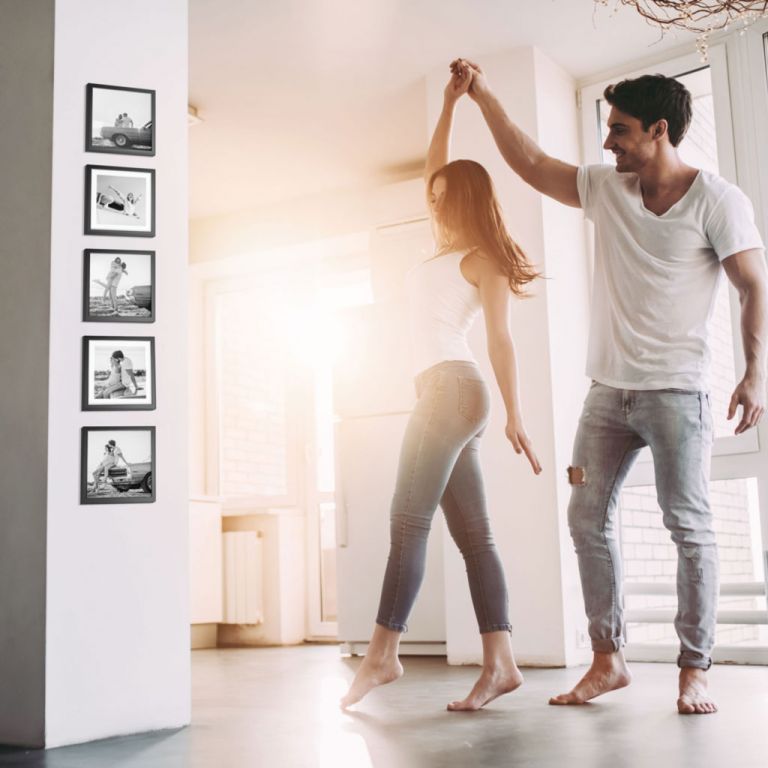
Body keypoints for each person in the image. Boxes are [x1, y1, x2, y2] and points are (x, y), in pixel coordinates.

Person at [452, 58, 768, 714]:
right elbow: (534, 164)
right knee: (584, 517)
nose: (607, 143)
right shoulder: (606, 189)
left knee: (689, 525)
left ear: (659, 130)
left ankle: (694, 670)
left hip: (680, 393)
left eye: (619, 130)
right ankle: (608, 659)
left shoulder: (718, 200)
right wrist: (483, 94)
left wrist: (755, 372)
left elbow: (753, 287)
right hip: (606, 396)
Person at [340, 69, 543, 712]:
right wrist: (451, 105)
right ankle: (502, 663)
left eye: (440, 195)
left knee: (407, 521)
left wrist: (515, 414)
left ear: (462, 200)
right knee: (474, 538)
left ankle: (382, 654)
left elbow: (501, 342)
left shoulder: (480, 259)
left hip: (453, 392)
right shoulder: (441, 247)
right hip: (450, 396)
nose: (431, 199)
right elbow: (437, 163)